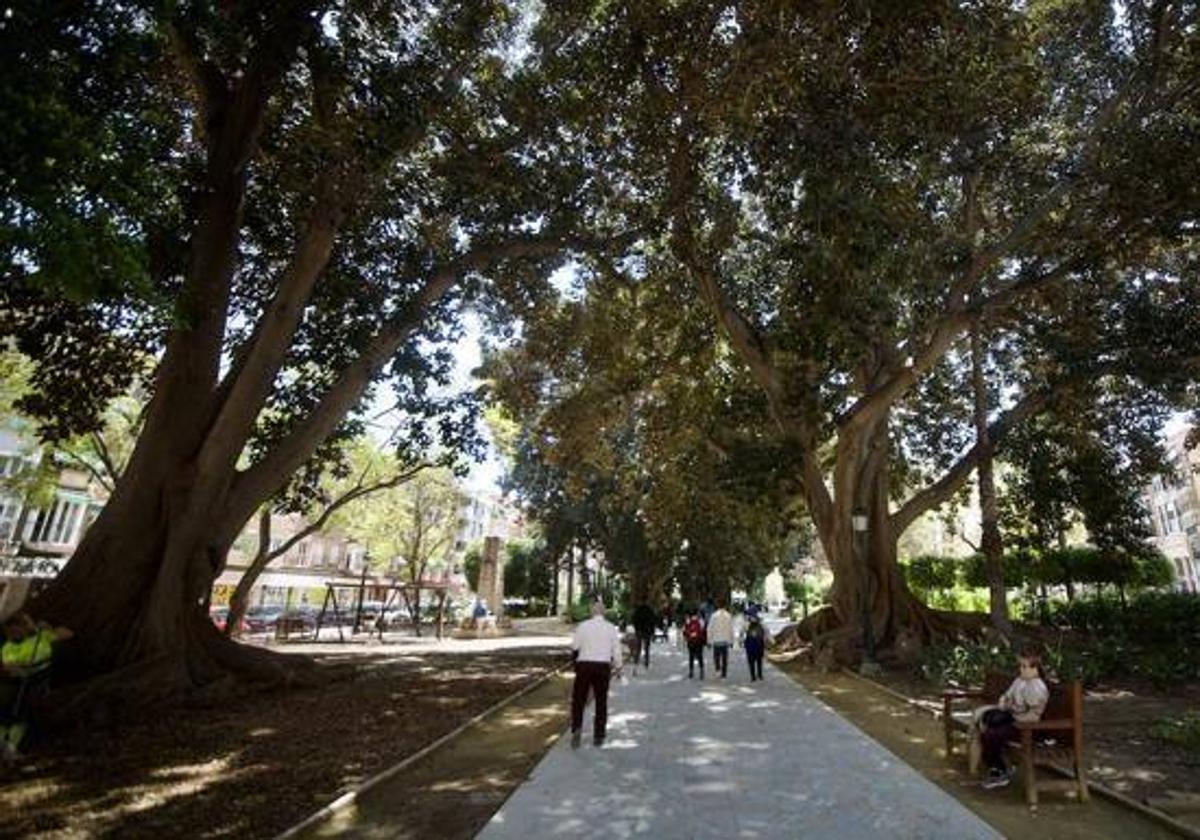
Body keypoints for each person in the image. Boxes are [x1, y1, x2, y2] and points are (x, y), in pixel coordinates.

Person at [972, 649, 1049, 789]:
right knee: (986, 725)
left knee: (991, 735)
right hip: (1014, 718)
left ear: (1035, 669)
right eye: (1020, 666)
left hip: (1027, 726)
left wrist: (1012, 711)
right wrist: (1006, 704)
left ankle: (1000, 770)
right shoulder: (1019, 681)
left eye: (1025, 667)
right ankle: (997, 768)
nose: (1021, 669)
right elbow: (1007, 697)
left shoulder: (1038, 687)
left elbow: (1031, 712)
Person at [1, 611, 73, 759]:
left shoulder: (42, 637)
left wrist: (49, 628)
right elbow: (11, 665)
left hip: (38, 681)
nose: (14, 633)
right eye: (11, 631)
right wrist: (20, 668)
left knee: (23, 716)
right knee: (8, 714)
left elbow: (68, 634)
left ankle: (11, 747)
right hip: (16, 683)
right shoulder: (8, 647)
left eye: (18, 629)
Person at [570, 600, 623, 748]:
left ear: (591, 612)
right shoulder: (610, 628)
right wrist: (619, 667)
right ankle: (598, 735)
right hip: (602, 666)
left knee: (579, 699)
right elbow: (616, 649)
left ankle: (576, 728)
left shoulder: (583, 626)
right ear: (604, 612)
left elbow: (575, 646)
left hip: (584, 665)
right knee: (601, 701)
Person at [708, 601, 734, 679]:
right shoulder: (728, 615)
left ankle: (717, 669)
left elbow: (709, 628)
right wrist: (731, 641)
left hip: (716, 640)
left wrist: (709, 640)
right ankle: (724, 674)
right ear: (725, 606)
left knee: (716, 657)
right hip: (725, 640)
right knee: (725, 658)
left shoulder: (713, 616)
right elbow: (731, 629)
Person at [742, 613, 770, 681]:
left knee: (751, 662)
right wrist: (769, 642)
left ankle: (753, 676)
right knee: (759, 661)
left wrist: (741, 642)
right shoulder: (762, 624)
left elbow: (741, 633)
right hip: (759, 645)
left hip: (750, 645)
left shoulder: (746, 624)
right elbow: (767, 633)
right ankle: (760, 675)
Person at [631, 601, 657, 668]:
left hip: (639, 631)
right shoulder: (649, 610)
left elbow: (634, 620)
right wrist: (652, 632)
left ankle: (636, 661)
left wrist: (636, 629)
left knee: (638, 647)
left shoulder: (638, 610)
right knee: (647, 648)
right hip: (647, 631)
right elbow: (653, 621)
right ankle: (646, 662)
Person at [682, 609, 706, 679]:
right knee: (700, 656)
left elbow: (684, 631)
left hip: (691, 641)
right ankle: (701, 671)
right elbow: (704, 631)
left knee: (691, 656)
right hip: (699, 641)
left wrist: (686, 638)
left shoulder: (688, 621)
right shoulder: (701, 621)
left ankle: (691, 672)